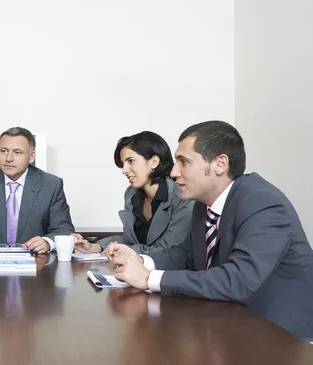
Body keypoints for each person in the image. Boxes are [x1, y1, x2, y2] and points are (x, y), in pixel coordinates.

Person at [108, 120, 313, 338]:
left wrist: (149, 278)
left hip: (286, 338)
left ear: (220, 164)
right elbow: (185, 255)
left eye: (183, 162)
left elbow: (238, 280)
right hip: (232, 325)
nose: (174, 172)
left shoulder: (262, 202)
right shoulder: (202, 205)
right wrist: (140, 259)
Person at [74, 131, 193, 254]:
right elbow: (129, 240)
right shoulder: (132, 194)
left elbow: (169, 250)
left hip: (168, 271)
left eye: (130, 161)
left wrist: (126, 250)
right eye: (123, 164)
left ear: (154, 162)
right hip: (137, 269)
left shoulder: (182, 196)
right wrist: (96, 247)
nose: (124, 170)